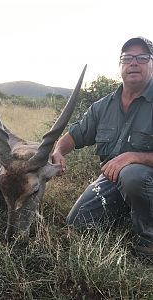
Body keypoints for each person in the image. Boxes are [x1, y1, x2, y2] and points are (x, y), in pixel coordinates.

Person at [52, 36, 153, 258]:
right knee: (78, 222)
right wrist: (58, 151)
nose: (134, 63)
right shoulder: (103, 106)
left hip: (144, 179)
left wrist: (134, 156)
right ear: (120, 65)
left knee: (133, 174)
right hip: (114, 181)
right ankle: (132, 212)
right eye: (127, 58)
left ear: (151, 63)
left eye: (142, 57)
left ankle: (149, 241)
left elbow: (131, 167)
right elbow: (74, 135)